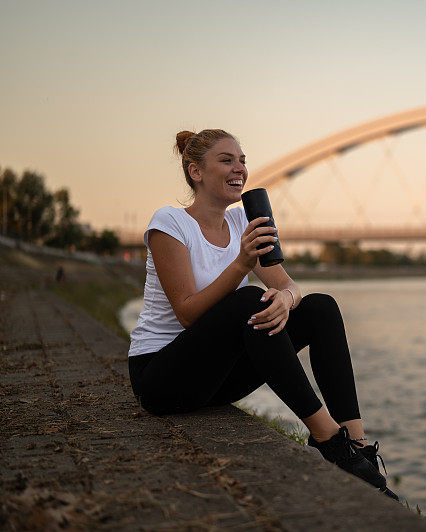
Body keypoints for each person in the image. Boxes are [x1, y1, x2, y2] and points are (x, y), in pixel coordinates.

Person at [127, 129, 398, 500]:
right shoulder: (170, 224)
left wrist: (286, 298)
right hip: (161, 377)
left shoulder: (244, 221)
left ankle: (357, 442)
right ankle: (327, 438)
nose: (239, 168)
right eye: (226, 160)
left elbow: (291, 285)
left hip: (215, 381)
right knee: (251, 299)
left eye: (242, 160)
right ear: (196, 172)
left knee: (320, 307)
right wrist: (241, 263)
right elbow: (188, 313)